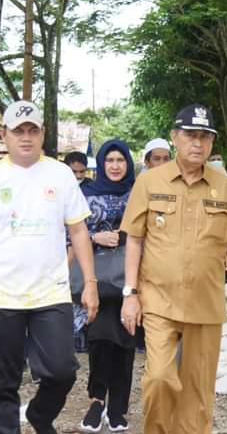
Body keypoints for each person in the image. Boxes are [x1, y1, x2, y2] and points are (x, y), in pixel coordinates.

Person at [119, 103, 227, 434]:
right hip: (159, 300)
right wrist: (130, 293)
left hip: (205, 303)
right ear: (175, 138)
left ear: (212, 143)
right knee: (158, 378)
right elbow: (135, 241)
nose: (197, 143)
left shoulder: (225, 186)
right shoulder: (150, 182)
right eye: (190, 136)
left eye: (205, 137)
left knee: (198, 392)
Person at [0, 100, 99, 434]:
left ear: (43, 134)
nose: (26, 137)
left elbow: (78, 230)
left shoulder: (61, 174)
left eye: (33, 130)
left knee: (62, 370)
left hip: (51, 292)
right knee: (0, 384)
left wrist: (90, 282)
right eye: (18, 130)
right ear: (3, 134)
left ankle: (39, 414)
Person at [74, 139, 137, 433]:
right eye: (109, 160)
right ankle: (97, 401)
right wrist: (95, 238)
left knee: (125, 341)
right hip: (95, 277)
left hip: (129, 277)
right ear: (100, 164)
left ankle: (117, 409)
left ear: (128, 163)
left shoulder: (138, 191)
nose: (114, 166)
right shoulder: (84, 192)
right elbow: (69, 230)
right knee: (99, 340)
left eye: (120, 160)